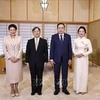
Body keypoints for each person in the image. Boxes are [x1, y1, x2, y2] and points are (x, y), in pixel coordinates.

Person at [50, 23, 72, 95]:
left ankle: (64, 88)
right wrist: (51, 58)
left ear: (64, 29)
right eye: (59, 28)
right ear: (57, 29)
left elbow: (69, 48)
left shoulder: (68, 37)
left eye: (62, 28)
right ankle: (57, 88)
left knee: (65, 74)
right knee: (56, 74)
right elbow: (52, 48)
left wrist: (70, 58)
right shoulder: (54, 37)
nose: (60, 29)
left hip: (65, 59)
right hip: (56, 59)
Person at [26, 27, 48, 95]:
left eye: (38, 31)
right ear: (33, 33)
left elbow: (46, 52)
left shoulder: (44, 41)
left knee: (39, 77)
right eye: (35, 31)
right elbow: (27, 52)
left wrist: (45, 61)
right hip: (32, 62)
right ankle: (33, 90)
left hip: (40, 62)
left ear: (40, 32)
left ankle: (39, 90)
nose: (36, 32)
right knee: (32, 77)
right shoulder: (29, 41)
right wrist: (27, 61)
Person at [3, 24, 23, 97]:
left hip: (17, 59)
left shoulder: (19, 38)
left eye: (14, 30)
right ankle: (12, 89)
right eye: (11, 30)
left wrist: (17, 57)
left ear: (16, 30)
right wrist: (10, 57)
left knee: (17, 74)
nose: (12, 31)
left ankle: (16, 88)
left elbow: (21, 48)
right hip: (9, 60)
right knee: (11, 75)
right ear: (9, 30)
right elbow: (4, 49)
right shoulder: (5, 38)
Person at [73, 26, 93, 94]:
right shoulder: (75, 40)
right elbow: (73, 49)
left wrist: (83, 54)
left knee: (84, 73)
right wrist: (76, 54)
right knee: (77, 73)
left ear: (85, 33)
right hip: (77, 58)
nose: (81, 32)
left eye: (82, 31)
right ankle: (77, 88)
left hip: (84, 58)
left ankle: (83, 89)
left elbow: (90, 50)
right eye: (80, 31)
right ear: (78, 32)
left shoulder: (87, 40)